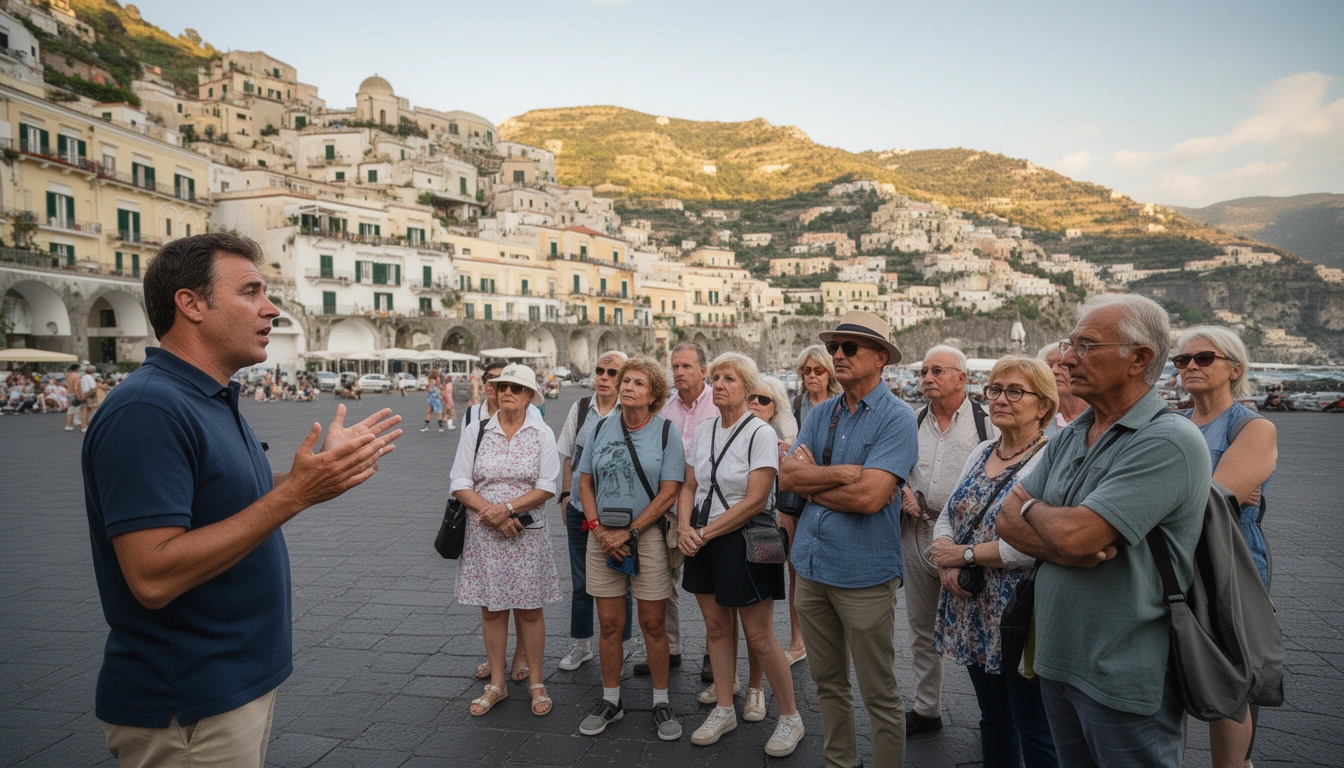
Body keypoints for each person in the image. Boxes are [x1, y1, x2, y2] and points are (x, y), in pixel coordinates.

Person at [83, 233, 401, 768]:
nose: (272, 309)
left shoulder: (207, 396)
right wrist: (296, 496)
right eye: (251, 291)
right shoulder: (147, 409)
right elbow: (151, 575)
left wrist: (312, 476)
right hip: (188, 704)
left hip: (231, 686)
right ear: (191, 304)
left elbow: (229, 501)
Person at [998, 294, 1212, 768]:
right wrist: (1054, 530)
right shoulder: (1074, 432)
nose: (1068, 358)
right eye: (1069, 344)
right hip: (1057, 658)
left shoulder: (1169, 440)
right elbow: (1003, 518)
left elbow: (1074, 535)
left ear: (1139, 359)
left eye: (1087, 345)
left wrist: (1033, 509)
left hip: (1123, 672)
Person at [780, 310, 919, 768]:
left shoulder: (897, 418)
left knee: (879, 691)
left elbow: (871, 497)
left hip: (863, 574)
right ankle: (841, 762)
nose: (837, 354)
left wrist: (814, 483)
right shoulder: (822, 413)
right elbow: (788, 477)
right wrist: (841, 473)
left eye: (849, 348)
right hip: (812, 567)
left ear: (880, 358)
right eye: (835, 347)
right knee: (828, 683)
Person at [930, 356, 1060, 768]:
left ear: (1043, 405)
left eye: (1015, 391)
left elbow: (1035, 544)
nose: (1001, 399)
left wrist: (963, 555)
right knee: (994, 717)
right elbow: (949, 513)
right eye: (995, 390)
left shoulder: (1050, 458)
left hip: (1019, 610)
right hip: (973, 606)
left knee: (1034, 724)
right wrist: (946, 559)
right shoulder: (984, 449)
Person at [678, 352, 803, 756]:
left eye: (728, 378)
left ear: (748, 389)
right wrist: (684, 528)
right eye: (715, 377)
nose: (718, 384)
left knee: (760, 637)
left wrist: (704, 531)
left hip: (741, 540)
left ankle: (790, 717)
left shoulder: (760, 433)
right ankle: (725, 708)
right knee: (715, 629)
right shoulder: (704, 431)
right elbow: (688, 485)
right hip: (702, 535)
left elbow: (755, 499)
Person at [1174, 326, 1278, 768]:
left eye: (1203, 358)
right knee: (1170, 662)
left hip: (1229, 558)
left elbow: (1214, 503)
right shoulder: (1173, 422)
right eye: (1182, 361)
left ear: (1234, 369)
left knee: (1231, 667)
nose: (1190, 366)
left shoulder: (1254, 427)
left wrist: (1185, 492)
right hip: (1174, 555)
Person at [576, 356, 686, 742]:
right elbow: (584, 481)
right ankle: (611, 699)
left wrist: (631, 532)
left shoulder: (666, 432)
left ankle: (660, 699)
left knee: (653, 624)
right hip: (602, 534)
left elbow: (670, 490)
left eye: (638, 383)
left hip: (648, 536)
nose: (627, 387)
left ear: (654, 394)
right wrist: (597, 529)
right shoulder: (602, 427)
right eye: (625, 381)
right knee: (610, 624)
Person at [449, 363, 561, 718]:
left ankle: (537, 681)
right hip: (485, 532)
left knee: (530, 610)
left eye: (516, 387)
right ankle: (496, 683)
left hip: (527, 532)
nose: (506, 393)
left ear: (530, 396)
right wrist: (492, 513)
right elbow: (459, 481)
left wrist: (508, 509)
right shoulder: (477, 431)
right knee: (492, 608)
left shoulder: (541, 433)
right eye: (501, 387)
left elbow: (548, 485)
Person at [900, 344, 998, 736]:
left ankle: (996, 715)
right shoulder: (912, 422)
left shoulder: (987, 422)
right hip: (917, 530)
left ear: (962, 378)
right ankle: (927, 708)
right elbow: (897, 469)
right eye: (924, 372)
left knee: (986, 625)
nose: (927, 379)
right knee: (920, 626)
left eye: (937, 371)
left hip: (970, 541)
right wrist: (901, 489)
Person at [554, 351, 633, 672]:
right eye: (600, 370)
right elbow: (569, 456)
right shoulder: (581, 407)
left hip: (616, 514)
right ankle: (582, 644)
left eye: (612, 372)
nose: (603, 377)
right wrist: (564, 494)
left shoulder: (630, 411)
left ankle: (623, 643)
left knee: (621, 577)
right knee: (580, 580)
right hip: (578, 509)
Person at [648, 341, 718, 679]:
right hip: (669, 509)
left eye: (686, 366)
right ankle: (669, 648)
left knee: (711, 586)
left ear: (704, 370)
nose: (679, 372)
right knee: (663, 582)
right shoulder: (665, 409)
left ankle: (713, 652)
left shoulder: (717, 404)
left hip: (709, 511)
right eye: (675, 366)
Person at [1037, 341, 1087, 436]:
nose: (1053, 371)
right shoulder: (1036, 419)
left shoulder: (1099, 417)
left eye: (1062, 365)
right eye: (1049, 366)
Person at [64, 364, 83, 431]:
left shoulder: (69, 376)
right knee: (77, 409)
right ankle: (79, 423)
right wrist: (79, 396)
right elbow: (76, 387)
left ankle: (68, 424)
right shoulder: (76, 376)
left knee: (71, 409)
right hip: (74, 394)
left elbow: (66, 385)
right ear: (77, 369)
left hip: (69, 393)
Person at [80, 364, 98, 431]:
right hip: (90, 394)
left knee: (84, 409)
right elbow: (93, 386)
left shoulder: (83, 377)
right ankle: (90, 424)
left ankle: (84, 424)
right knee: (93, 409)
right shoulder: (89, 377)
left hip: (84, 393)